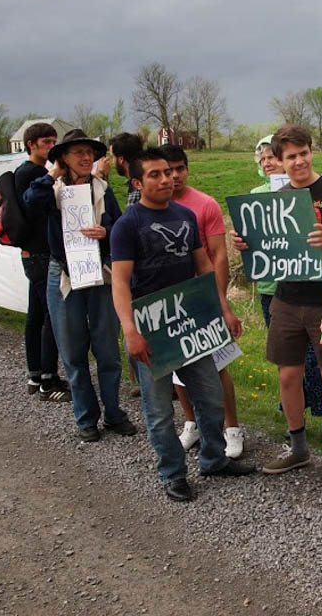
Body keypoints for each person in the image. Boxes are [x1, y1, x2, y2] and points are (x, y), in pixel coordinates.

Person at [111, 148, 256, 502]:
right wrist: (130, 331)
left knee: (210, 397)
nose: (166, 179)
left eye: (168, 172)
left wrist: (223, 308)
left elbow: (204, 267)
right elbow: (119, 282)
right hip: (152, 329)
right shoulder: (127, 226)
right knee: (159, 410)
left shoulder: (186, 216)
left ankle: (214, 459)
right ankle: (173, 474)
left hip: (191, 321)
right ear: (137, 183)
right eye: (155, 175)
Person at [233, 125, 322, 486]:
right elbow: (264, 252)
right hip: (286, 299)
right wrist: (245, 243)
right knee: (288, 375)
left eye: (303, 153)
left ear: (311, 152)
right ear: (280, 161)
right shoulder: (277, 199)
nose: (299, 161)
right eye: (291, 156)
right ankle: (297, 447)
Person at [23, 129, 136, 443]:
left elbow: (120, 223)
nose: (87, 158)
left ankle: (114, 414)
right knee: (73, 352)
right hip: (64, 276)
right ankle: (86, 418)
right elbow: (31, 201)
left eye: (90, 153)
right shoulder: (52, 190)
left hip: (100, 273)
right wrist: (53, 173)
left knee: (107, 350)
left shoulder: (102, 188)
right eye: (78, 153)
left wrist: (106, 231)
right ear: (63, 159)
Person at [160, 144, 245, 458]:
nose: (174, 176)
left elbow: (219, 255)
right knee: (177, 367)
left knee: (218, 366)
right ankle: (191, 423)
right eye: (166, 171)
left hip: (203, 297)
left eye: (179, 169)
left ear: (187, 169)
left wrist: (219, 299)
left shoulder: (205, 205)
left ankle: (232, 428)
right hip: (171, 302)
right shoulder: (154, 207)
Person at [251, 136, 322, 445]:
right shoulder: (260, 196)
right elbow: (259, 240)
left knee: (318, 358)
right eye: (265, 160)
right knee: (290, 363)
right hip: (276, 288)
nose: (269, 163)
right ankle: (294, 417)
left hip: (315, 289)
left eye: (272, 157)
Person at [14, 123, 68, 402]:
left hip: (33, 253)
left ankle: (35, 374)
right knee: (50, 316)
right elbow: (36, 208)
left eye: (53, 141)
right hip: (40, 253)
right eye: (46, 142)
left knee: (36, 315)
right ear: (31, 144)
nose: (51, 147)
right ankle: (49, 379)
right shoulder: (32, 174)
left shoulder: (26, 172)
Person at [104, 131, 146, 398]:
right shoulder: (133, 185)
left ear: (120, 158)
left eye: (111, 155)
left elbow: (131, 227)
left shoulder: (137, 186)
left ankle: (148, 381)